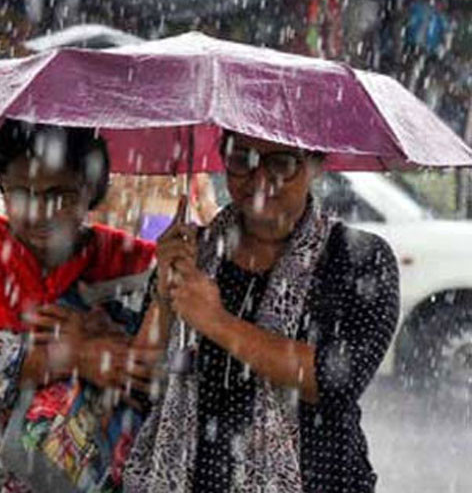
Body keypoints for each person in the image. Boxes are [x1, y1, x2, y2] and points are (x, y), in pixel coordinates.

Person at [123, 132, 400, 493]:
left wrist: (217, 321)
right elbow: (140, 383)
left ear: (316, 165)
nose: (259, 179)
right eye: (242, 160)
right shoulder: (193, 254)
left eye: (282, 163)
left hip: (318, 480)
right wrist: (164, 295)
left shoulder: (360, 259)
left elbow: (335, 382)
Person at [0, 120, 158, 492]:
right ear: (1, 188)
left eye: (61, 195)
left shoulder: (123, 266)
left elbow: (153, 365)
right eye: (22, 193)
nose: (40, 212)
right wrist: (68, 357)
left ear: (90, 190)